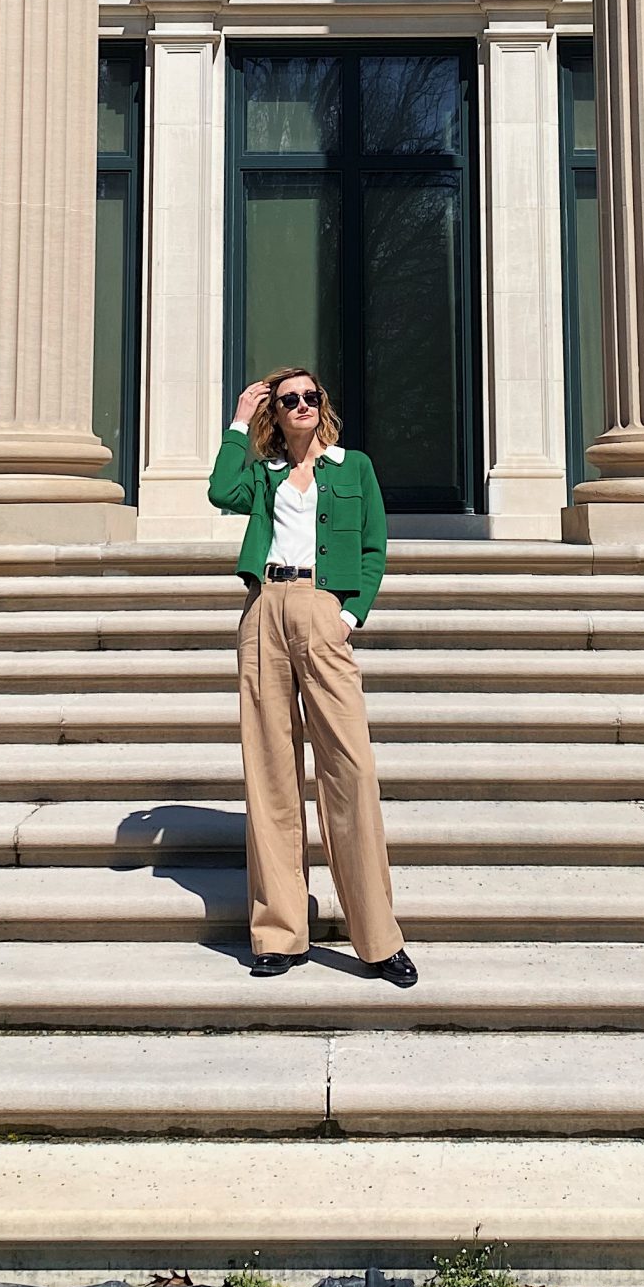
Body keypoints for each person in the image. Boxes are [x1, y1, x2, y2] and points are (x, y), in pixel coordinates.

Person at [207, 369, 418, 987]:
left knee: (350, 768)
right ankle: (279, 933)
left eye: (309, 397)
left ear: (322, 405)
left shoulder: (354, 468)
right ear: (277, 411)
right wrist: (240, 420)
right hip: (265, 606)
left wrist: (350, 613)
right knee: (270, 769)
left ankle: (378, 939)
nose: (300, 405)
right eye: (287, 399)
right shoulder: (262, 470)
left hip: (324, 609)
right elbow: (221, 491)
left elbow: (376, 546)